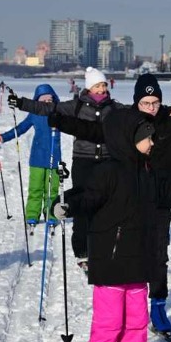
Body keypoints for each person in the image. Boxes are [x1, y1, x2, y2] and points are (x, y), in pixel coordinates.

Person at [57, 109, 171, 342]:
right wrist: (66, 203)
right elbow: (86, 196)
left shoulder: (147, 173)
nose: (152, 143)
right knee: (108, 324)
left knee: (137, 323)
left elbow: (166, 189)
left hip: (139, 261)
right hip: (112, 262)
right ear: (129, 139)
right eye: (147, 138)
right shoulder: (107, 172)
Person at [10, 67, 120, 269]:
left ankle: (103, 247)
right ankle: (82, 251)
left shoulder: (113, 107)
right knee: (82, 206)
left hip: (107, 161)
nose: (102, 90)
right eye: (98, 86)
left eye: (104, 86)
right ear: (89, 88)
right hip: (84, 161)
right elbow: (47, 109)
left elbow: (133, 114)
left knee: (105, 207)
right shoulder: (76, 106)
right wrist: (22, 103)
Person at [0, 84, 62, 226]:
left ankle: (51, 214)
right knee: (36, 188)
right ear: (37, 101)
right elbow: (21, 128)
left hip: (54, 158)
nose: (46, 103)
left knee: (52, 190)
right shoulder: (34, 114)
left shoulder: (59, 113)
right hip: (37, 158)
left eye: (49, 100)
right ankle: (32, 214)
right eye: (43, 100)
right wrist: (3, 137)